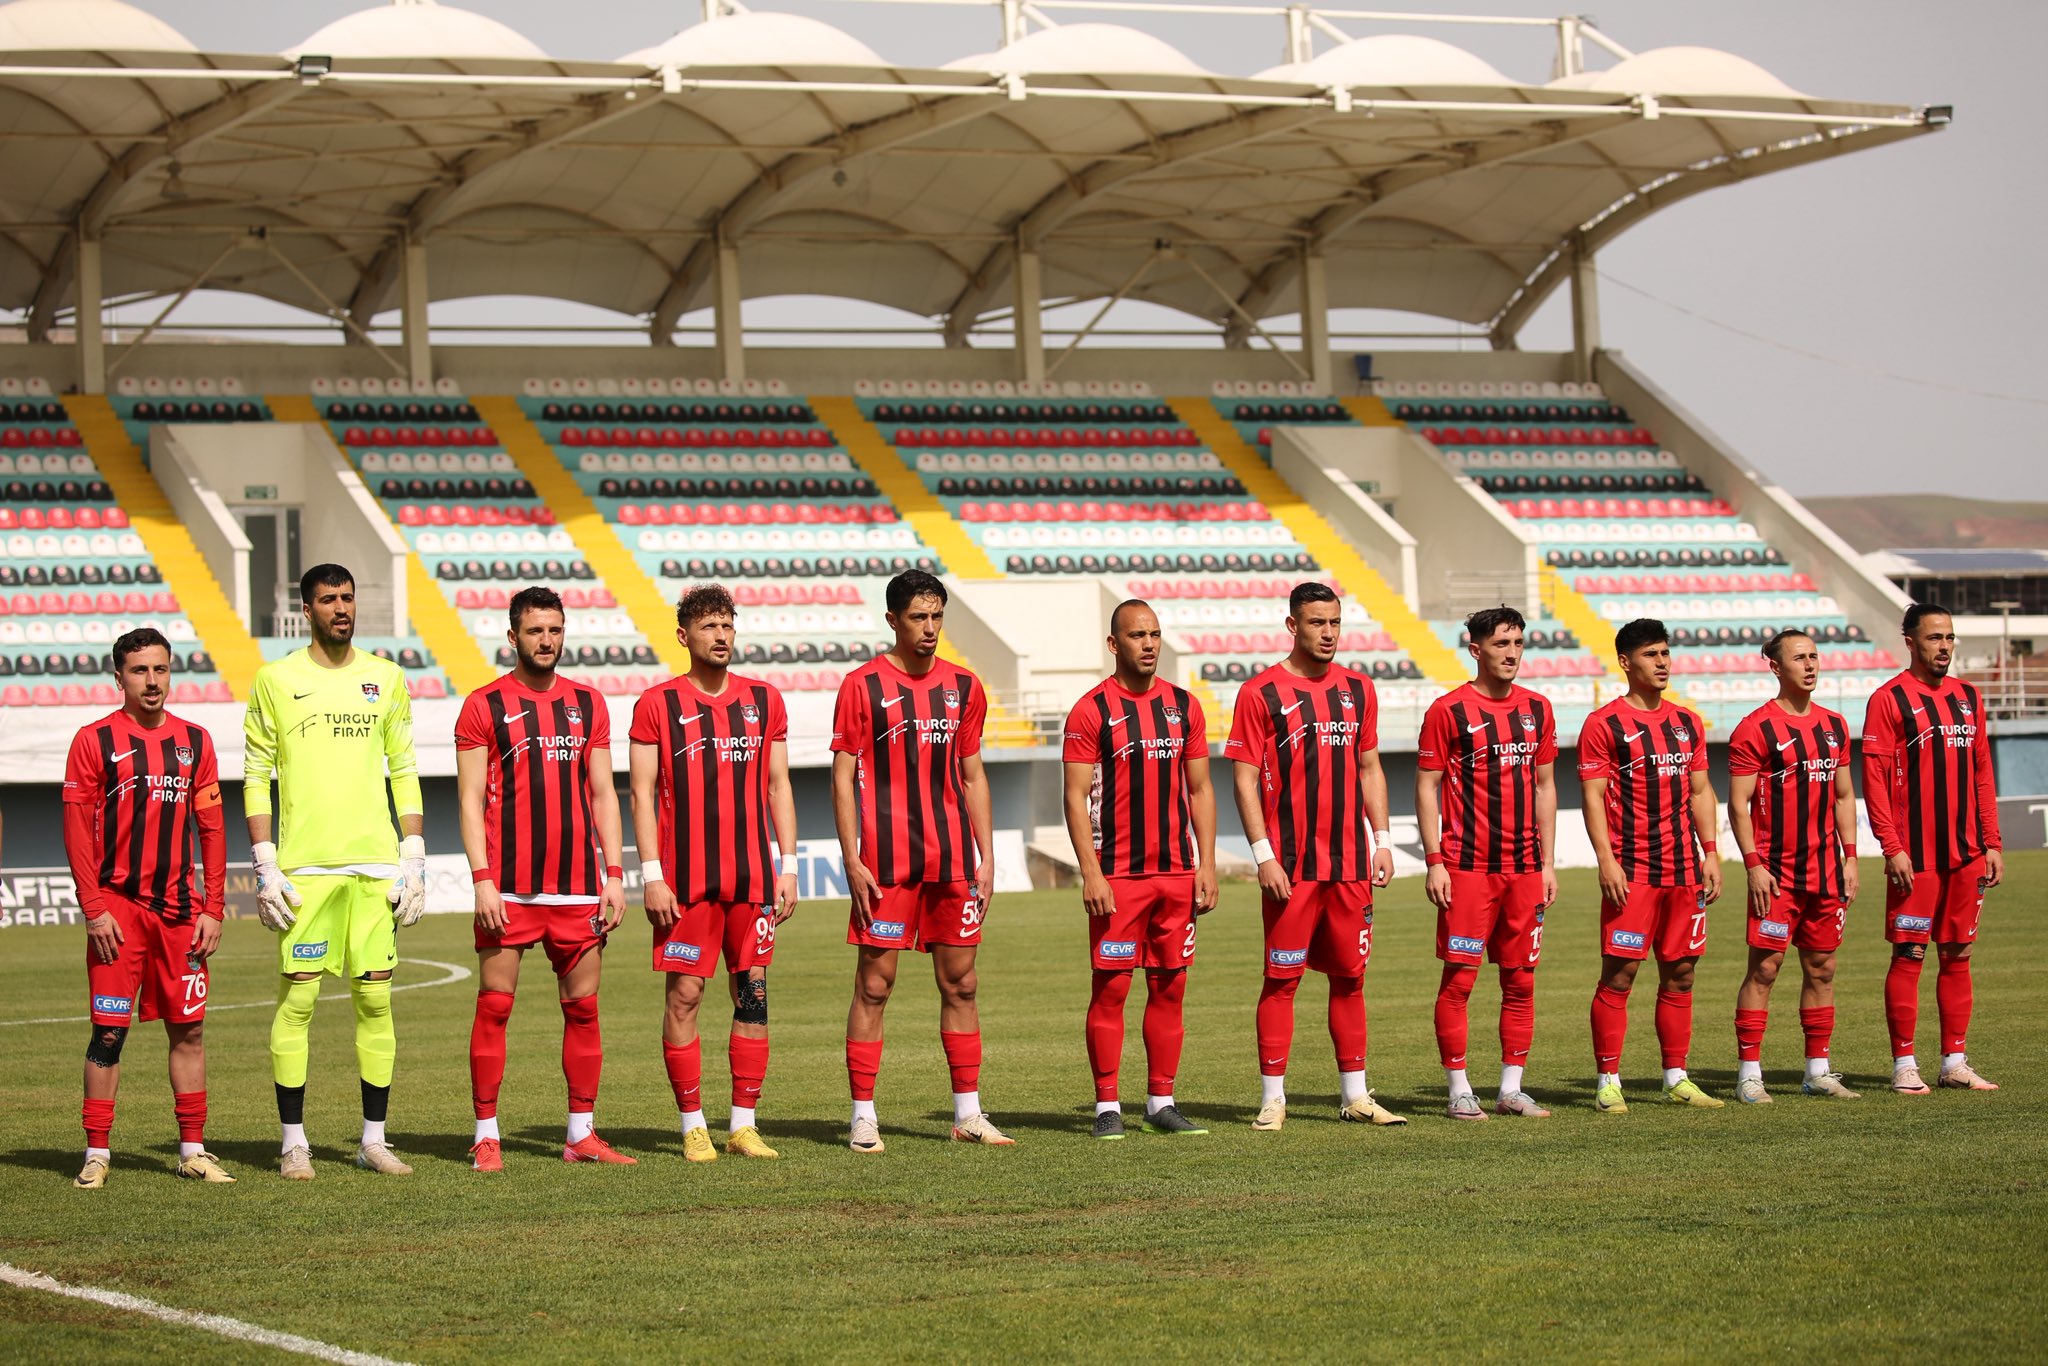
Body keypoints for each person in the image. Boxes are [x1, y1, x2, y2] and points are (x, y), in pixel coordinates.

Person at [244, 563, 426, 1179]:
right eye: (328, 599)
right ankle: (293, 1143)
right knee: (298, 1002)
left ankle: (373, 1141)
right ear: (307, 609)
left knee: (375, 1001)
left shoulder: (387, 677)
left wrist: (413, 855)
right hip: (305, 870)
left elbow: (403, 768)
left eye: (348, 597)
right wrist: (265, 863)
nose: (341, 608)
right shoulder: (275, 679)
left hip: (375, 867)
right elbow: (256, 774)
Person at [833, 569, 1008, 1152]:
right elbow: (841, 778)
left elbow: (973, 774)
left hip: (953, 862)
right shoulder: (861, 686)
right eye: (918, 617)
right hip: (886, 864)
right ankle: (863, 1116)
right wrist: (852, 858)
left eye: (936, 616)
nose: (930, 628)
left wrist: (987, 856)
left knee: (962, 985)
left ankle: (968, 1114)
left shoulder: (965, 686)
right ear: (893, 620)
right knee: (874, 986)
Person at [458, 586, 631, 1171]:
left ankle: (581, 1134)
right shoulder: (483, 705)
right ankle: (486, 1135)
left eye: (555, 630)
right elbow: (469, 798)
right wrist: (482, 879)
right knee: (494, 1007)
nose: (546, 640)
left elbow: (604, 793)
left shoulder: (588, 702)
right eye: (535, 631)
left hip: (579, 886)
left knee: (583, 1010)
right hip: (508, 888)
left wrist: (614, 874)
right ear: (513, 637)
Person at [1225, 581, 1403, 1132]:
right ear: (1292, 626)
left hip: (1350, 866)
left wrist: (1382, 840)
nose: (1328, 633)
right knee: (1281, 980)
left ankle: (1356, 1096)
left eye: (1334, 623)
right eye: (1316, 623)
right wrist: (1263, 855)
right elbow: (1244, 778)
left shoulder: (1358, 689)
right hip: (1291, 867)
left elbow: (1370, 768)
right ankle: (1273, 1098)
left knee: (1351, 979)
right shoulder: (1260, 693)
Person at [631, 584, 797, 1162]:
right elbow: (641, 794)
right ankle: (693, 1124)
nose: (721, 635)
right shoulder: (657, 704)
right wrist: (651, 874)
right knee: (685, 995)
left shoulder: (765, 700)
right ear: (684, 636)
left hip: (752, 881)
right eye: (708, 626)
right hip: (686, 884)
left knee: (753, 995)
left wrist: (788, 865)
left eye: (727, 625)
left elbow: (779, 786)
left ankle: (744, 1124)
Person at [63, 627, 232, 1187]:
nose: (152, 681)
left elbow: (212, 828)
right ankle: (97, 1152)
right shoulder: (94, 740)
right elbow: (76, 830)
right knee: (108, 1033)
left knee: (189, 1031)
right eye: (139, 671)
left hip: (182, 915)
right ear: (119, 677)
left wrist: (213, 907)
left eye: (160, 669)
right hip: (118, 912)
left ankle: (193, 1151)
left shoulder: (196, 741)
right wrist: (93, 907)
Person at [1063, 599, 1218, 1141]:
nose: (1149, 644)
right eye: (1136, 635)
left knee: (1170, 988)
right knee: (1111, 990)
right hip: (1118, 875)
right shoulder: (1091, 710)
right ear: (1114, 644)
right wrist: (1091, 872)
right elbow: (1075, 797)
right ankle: (1107, 1105)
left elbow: (1201, 789)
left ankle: (1160, 1102)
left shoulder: (1184, 706)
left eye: (1154, 634)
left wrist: (1206, 865)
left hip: (1176, 874)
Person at [1416, 606, 1558, 1122]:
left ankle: (1511, 1090)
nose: (1512, 653)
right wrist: (1435, 860)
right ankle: (1459, 1090)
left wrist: (1547, 863)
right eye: (1501, 644)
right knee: (1460, 980)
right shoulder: (1448, 711)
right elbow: (1427, 787)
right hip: (1467, 867)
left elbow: (1545, 786)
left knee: (1521, 980)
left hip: (1525, 869)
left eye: (1518, 643)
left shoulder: (1538, 709)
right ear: (1476, 650)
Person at [1578, 617, 1723, 1113]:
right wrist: (1606, 861)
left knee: (1681, 975)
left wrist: (1711, 852)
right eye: (1650, 654)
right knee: (1619, 975)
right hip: (1633, 870)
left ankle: (1676, 1077)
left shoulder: (1687, 722)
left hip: (1684, 871)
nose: (1662, 663)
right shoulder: (1604, 724)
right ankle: (1608, 1081)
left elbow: (1701, 791)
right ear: (1625, 662)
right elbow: (1593, 798)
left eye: (1665, 653)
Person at [1862, 602, 2003, 1094]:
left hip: (1966, 853)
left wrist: (1991, 841)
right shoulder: (1889, 699)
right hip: (1915, 856)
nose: (1944, 646)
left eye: (1949, 637)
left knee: (1959, 954)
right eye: (1934, 638)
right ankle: (1904, 1065)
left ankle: (1955, 1062)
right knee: (1910, 954)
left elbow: (1982, 772)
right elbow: (1875, 779)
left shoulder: (1968, 696)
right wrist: (1891, 845)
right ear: (1910, 642)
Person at [1726, 630, 1861, 1103]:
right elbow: (1738, 805)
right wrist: (1753, 865)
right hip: (1777, 874)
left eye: (1814, 656)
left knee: (1822, 969)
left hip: (1826, 871)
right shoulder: (1755, 728)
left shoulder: (1835, 725)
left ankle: (1818, 1071)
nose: (1810, 665)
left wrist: (1850, 856)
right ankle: (1749, 1075)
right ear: (1776, 667)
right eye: (1799, 658)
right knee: (1765, 969)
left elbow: (1844, 795)